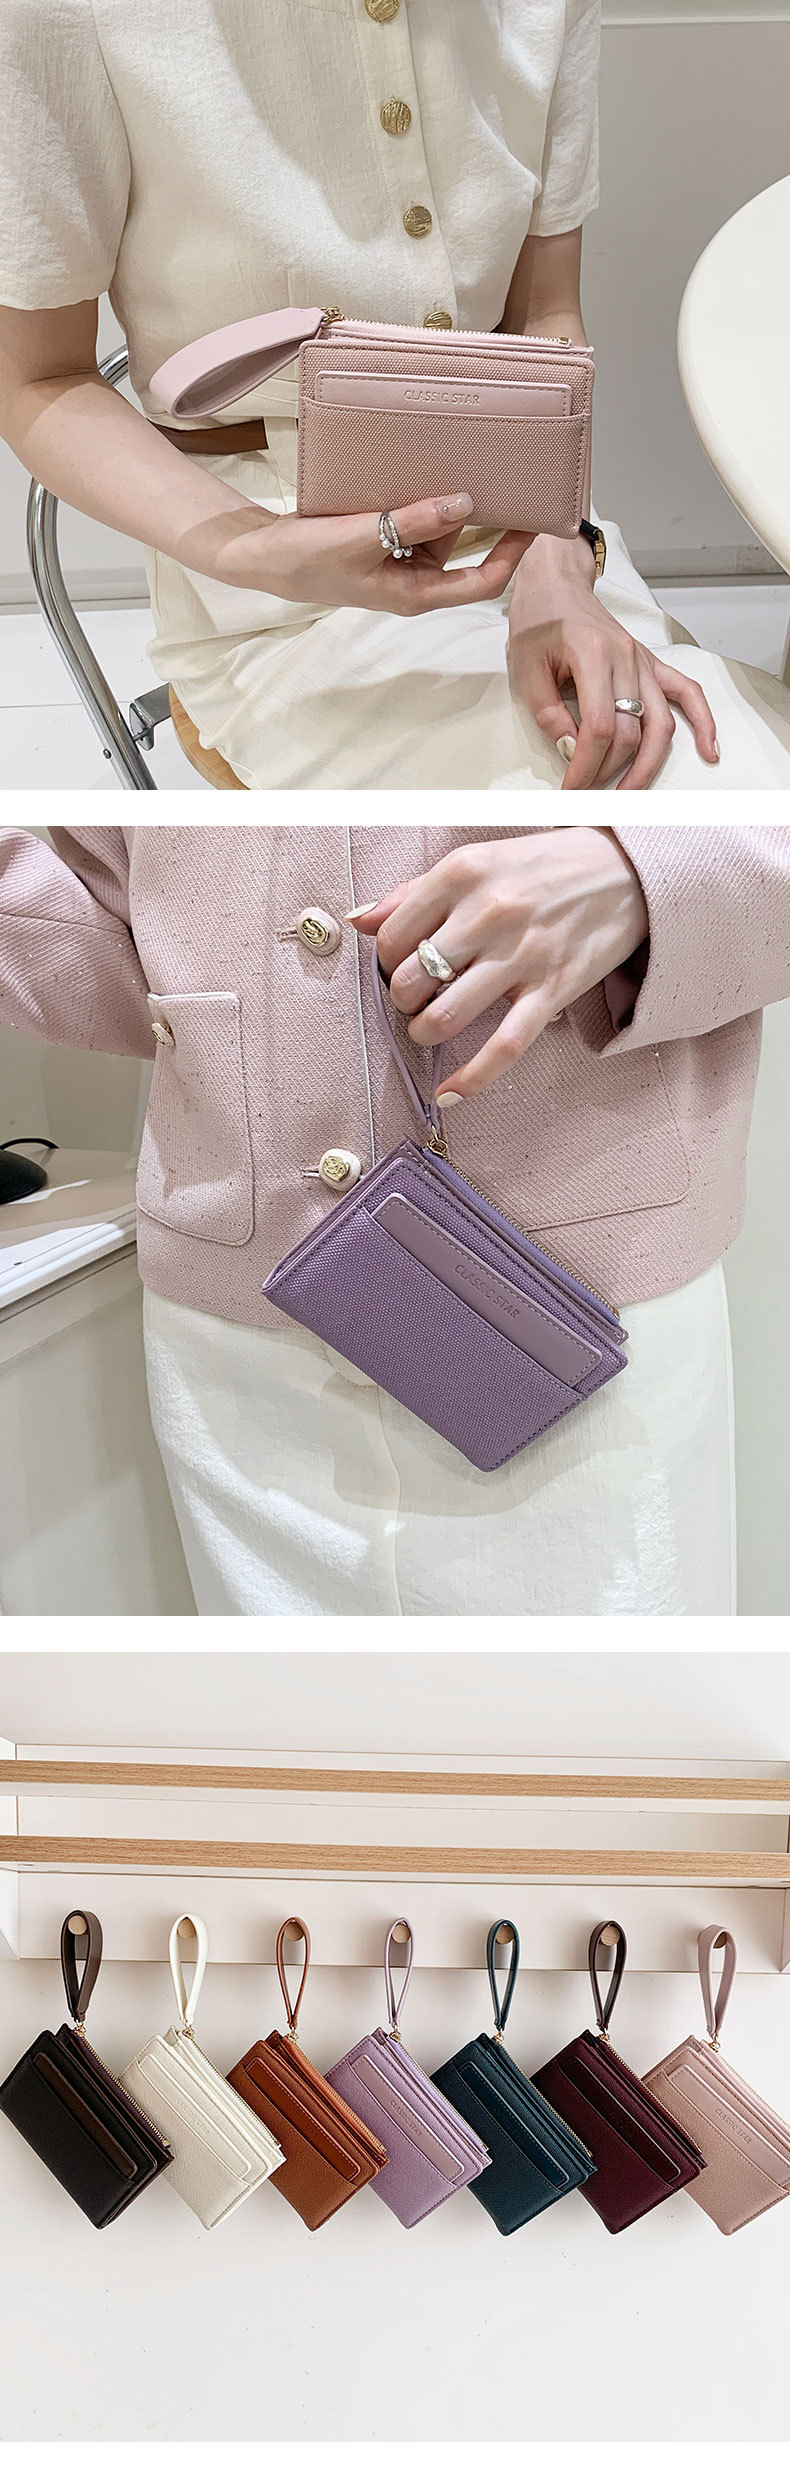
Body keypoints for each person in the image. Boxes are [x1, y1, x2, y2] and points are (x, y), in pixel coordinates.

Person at [2, 819, 789, 1616]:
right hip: (235, 1353)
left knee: (614, 1693)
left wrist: (646, 877)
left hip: (575, 1317)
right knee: (282, 1700)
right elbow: (119, 943)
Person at [0, 4, 788, 791]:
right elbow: (38, 378)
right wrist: (246, 550)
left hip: (529, 530)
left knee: (733, 756)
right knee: (687, 793)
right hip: (271, 592)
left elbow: (542, 320)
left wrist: (558, 556)